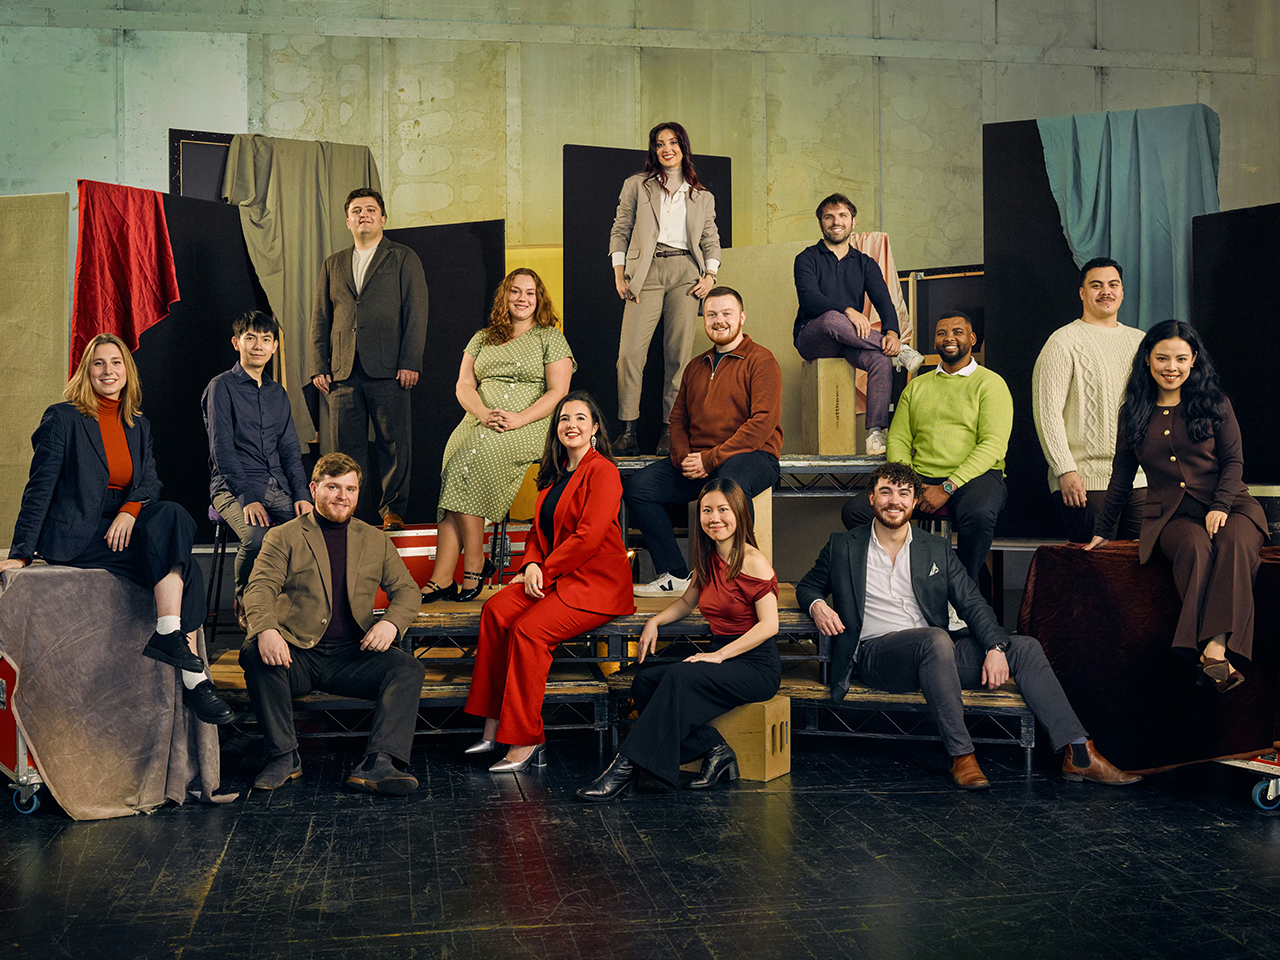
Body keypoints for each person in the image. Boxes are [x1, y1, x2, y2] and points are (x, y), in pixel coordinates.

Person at [801, 461, 1139, 789]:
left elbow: (972, 601)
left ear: (915, 502)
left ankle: (1078, 753)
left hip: (935, 654)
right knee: (935, 640)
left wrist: (995, 647)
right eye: (885, 492)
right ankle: (962, 754)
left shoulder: (934, 548)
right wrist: (818, 606)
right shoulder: (844, 546)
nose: (894, 501)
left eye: (904, 493)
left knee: (1023, 648)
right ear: (872, 498)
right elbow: (808, 586)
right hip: (877, 656)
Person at [2, 334, 232, 725]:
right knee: (185, 566)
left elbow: (149, 482)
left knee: (172, 514)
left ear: (128, 371)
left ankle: (168, 631)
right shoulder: (63, 417)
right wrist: (20, 554)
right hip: (79, 529)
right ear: (86, 371)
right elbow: (39, 487)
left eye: (116, 363)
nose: (108, 371)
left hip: (121, 521)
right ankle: (196, 681)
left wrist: (128, 511)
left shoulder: (137, 424)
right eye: (99, 363)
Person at [1086, 320, 1266, 694]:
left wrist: (1220, 505)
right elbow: (1120, 478)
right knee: (1195, 548)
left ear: (1193, 359)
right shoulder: (1133, 411)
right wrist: (1103, 531)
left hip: (1233, 504)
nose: (1172, 367)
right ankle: (1203, 651)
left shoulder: (1215, 403)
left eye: (1181, 358)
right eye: (1163, 358)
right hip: (1170, 516)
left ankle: (1214, 648)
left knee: (1234, 544)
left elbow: (1234, 463)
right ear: (1148, 360)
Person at [463, 392, 636, 772]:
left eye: (579, 418)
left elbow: (589, 536)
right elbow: (537, 533)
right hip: (557, 575)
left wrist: (545, 569)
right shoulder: (554, 472)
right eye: (563, 419)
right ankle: (493, 723)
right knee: (495, 610)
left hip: (596, 584)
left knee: (527, 632)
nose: (570, 425)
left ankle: (525, 739)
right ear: (556, 429)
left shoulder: (603, 470)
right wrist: (531, 565)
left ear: (593, 428)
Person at [578, 478, 781, 801]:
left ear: (740, 513)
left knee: (678, 675)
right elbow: (688, 602)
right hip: (723, 658)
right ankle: (713, 749)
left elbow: (769, 626)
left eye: (723, 510)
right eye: (707, 510)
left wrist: (718, 656)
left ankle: (625, 767)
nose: (715, 518)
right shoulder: (709, 558)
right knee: (644, 681)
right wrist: (655, 621)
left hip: (756, 666)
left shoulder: (753, 561)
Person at [239, 453, 426, 794]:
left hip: (352, 656)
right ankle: (284, 757)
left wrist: (391, 625)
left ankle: (378, 763)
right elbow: (260, 588)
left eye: (350, 489)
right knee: (254, 652)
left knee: (407, 669)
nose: (343, 496)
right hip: (297, 653)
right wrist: (266, 629)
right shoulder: (284, 536)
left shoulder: (374, 539)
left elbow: (407, 592)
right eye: (333, 487)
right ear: (314, 489)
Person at [426, 268, 575, 604]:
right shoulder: (482, 338)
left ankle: (473, 563)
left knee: (472, 460)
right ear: (504, 296)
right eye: (515, 291)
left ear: (539, 300)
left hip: (530, 422)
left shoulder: (550, 338)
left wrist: (518, 418)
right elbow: (463, 385)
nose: (522, 299)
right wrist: (481, 413)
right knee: (456, 463)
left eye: (530, 293)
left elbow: (558, 391)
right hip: (479, 420)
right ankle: (443, 577)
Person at [625, 286, 783, 597]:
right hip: (700, 462)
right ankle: (674, 574)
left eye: (726, 313)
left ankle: (735, 578)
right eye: (711, 314)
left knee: (729, 483)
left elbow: (761, 424)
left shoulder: (762, 360)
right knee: (638, 487)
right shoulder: (696, 366)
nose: (719, 320)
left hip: (753, 456)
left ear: (741, 317)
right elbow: (678, 419)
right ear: (705, 319)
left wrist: (710, 459)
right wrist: (684, 457)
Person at [843, 312, 1011, 586]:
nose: (949, 338)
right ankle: (910, 572)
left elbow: (992, 445)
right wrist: (908, 484)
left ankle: (963, 587)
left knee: (979, 514)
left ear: (972, 339)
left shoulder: (991, 384)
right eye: (942, 333)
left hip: (973, 478)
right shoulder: (917, 386)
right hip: (919, 478)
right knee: (856, 511)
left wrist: (948, 487)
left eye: (957, 332)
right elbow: (898, 439)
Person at [310, 187, 429, 530]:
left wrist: (410, 361)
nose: (364, 215)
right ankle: (351, 513)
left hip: (390, 369)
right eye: (357, 211)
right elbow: (321, 318)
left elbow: (416, 313)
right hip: (342, 371)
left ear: (383, 219)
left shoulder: (403, 258)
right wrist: (319, 365)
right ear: (348, 221)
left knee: (393, 445)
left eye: (371, 210)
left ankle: (392, 510)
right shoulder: (333, 263)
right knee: (346, 449)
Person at [610, 121, 721, 457]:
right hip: (646, 271)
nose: (666, 149)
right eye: (660, 144)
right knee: (629, 355)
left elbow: (710, 240)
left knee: (679, 357)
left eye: (673, 143)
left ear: (683, 148)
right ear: (653, 150)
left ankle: (669, 432)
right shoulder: (637, 186)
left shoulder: (702, 196)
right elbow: (621, 228)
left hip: (686, 273)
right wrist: (619, 272)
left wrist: (711, 275)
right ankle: (627, 432)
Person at [202, 310, 313, 629]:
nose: (258, 346)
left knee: (311, 534)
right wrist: (248, 498)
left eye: (266, 339)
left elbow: (291, 451)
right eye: (251, 338)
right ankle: (247, 602)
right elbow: (221, 449)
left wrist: (301, 495)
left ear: (275, 347)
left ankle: (292, 608)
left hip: (276, 484)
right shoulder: (221, 387)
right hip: (232, 487)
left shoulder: (278, 394)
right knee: (256, 537)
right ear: (237, 343)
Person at [793, 193, 923, 455]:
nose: (835, 222)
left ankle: (875, 433)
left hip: (846, 342)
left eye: (842, 216)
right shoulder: (806, 258)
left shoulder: (866, 263)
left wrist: (893, 333)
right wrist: (849, 310)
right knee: (831, 318)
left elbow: (885, 302)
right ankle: (903, 352)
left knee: (880, 359)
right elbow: (810, 299)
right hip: (812, 337)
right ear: (821, 224)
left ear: (853, 222)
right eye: (829, 217)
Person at [1032, 258, 1147, 543]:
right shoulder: (1062, 342)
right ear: (1083, 293)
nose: (1105, 291)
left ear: (1122, 292)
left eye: (1113, 285)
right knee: (1093, 572)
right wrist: (1065, 470)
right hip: (1087, 481)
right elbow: (1047, 415)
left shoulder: (1141, 342)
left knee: (1141, 571)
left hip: (1142, 479)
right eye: (1096, 285)